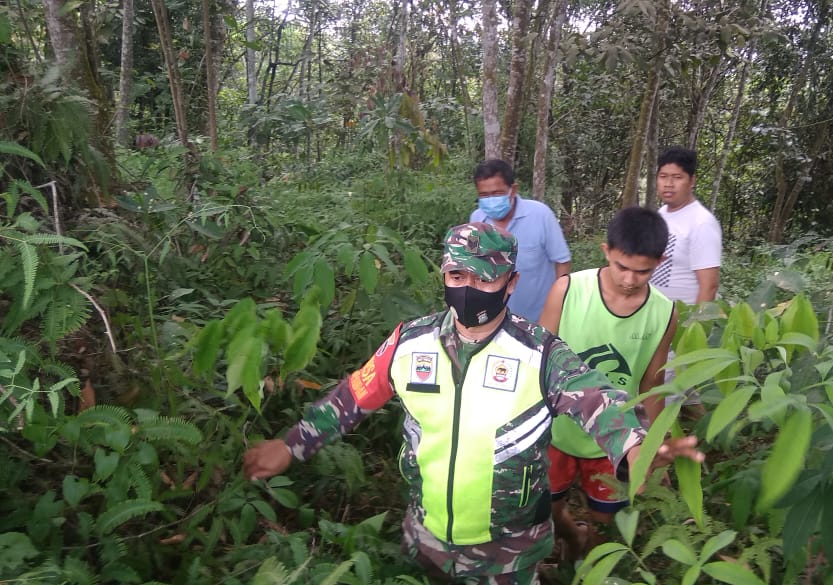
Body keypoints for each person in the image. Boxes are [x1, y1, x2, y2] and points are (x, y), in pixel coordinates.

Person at [243, 222, 704, 584]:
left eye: (485, 278)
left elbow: (597, 399)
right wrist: (292, 444)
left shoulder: (539, 352)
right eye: (457, 275)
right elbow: (352, 396)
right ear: (444, 274)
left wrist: (635, 445)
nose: (468, 287)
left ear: (511, 282)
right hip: (426, 537)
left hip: (511, 550)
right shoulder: (409, 342)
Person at [538, 207, 677, 561]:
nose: (630, 279)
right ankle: (572, 541)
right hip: (558, 432)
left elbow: (652, 382)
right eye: (622, 267)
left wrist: (652, 446)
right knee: (549, 512)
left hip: (615, 440)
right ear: (606, 252)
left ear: (659, 262)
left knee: (605, 519)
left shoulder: (663, 312)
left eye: (642, 271)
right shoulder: (567, 291)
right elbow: (537, 363)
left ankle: (591, 564)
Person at [469, 159, 571, 322]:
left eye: (497, 193)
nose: (490, 200)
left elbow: (562, 261)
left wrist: (560, 305)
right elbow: (473, 262)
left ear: (513, 190)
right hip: (495, 318)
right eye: (484, 195)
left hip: (539, 317)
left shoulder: (541, 215)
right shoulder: (477, 219)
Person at [649, 146, 722, 305]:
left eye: (677, 177)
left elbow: (709, 286)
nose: (668, 184)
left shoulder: (702, 223)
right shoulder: (661, 214)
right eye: (663, 176)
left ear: (692, 181)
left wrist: (695, 326)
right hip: (654, 314)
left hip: (682, 320)